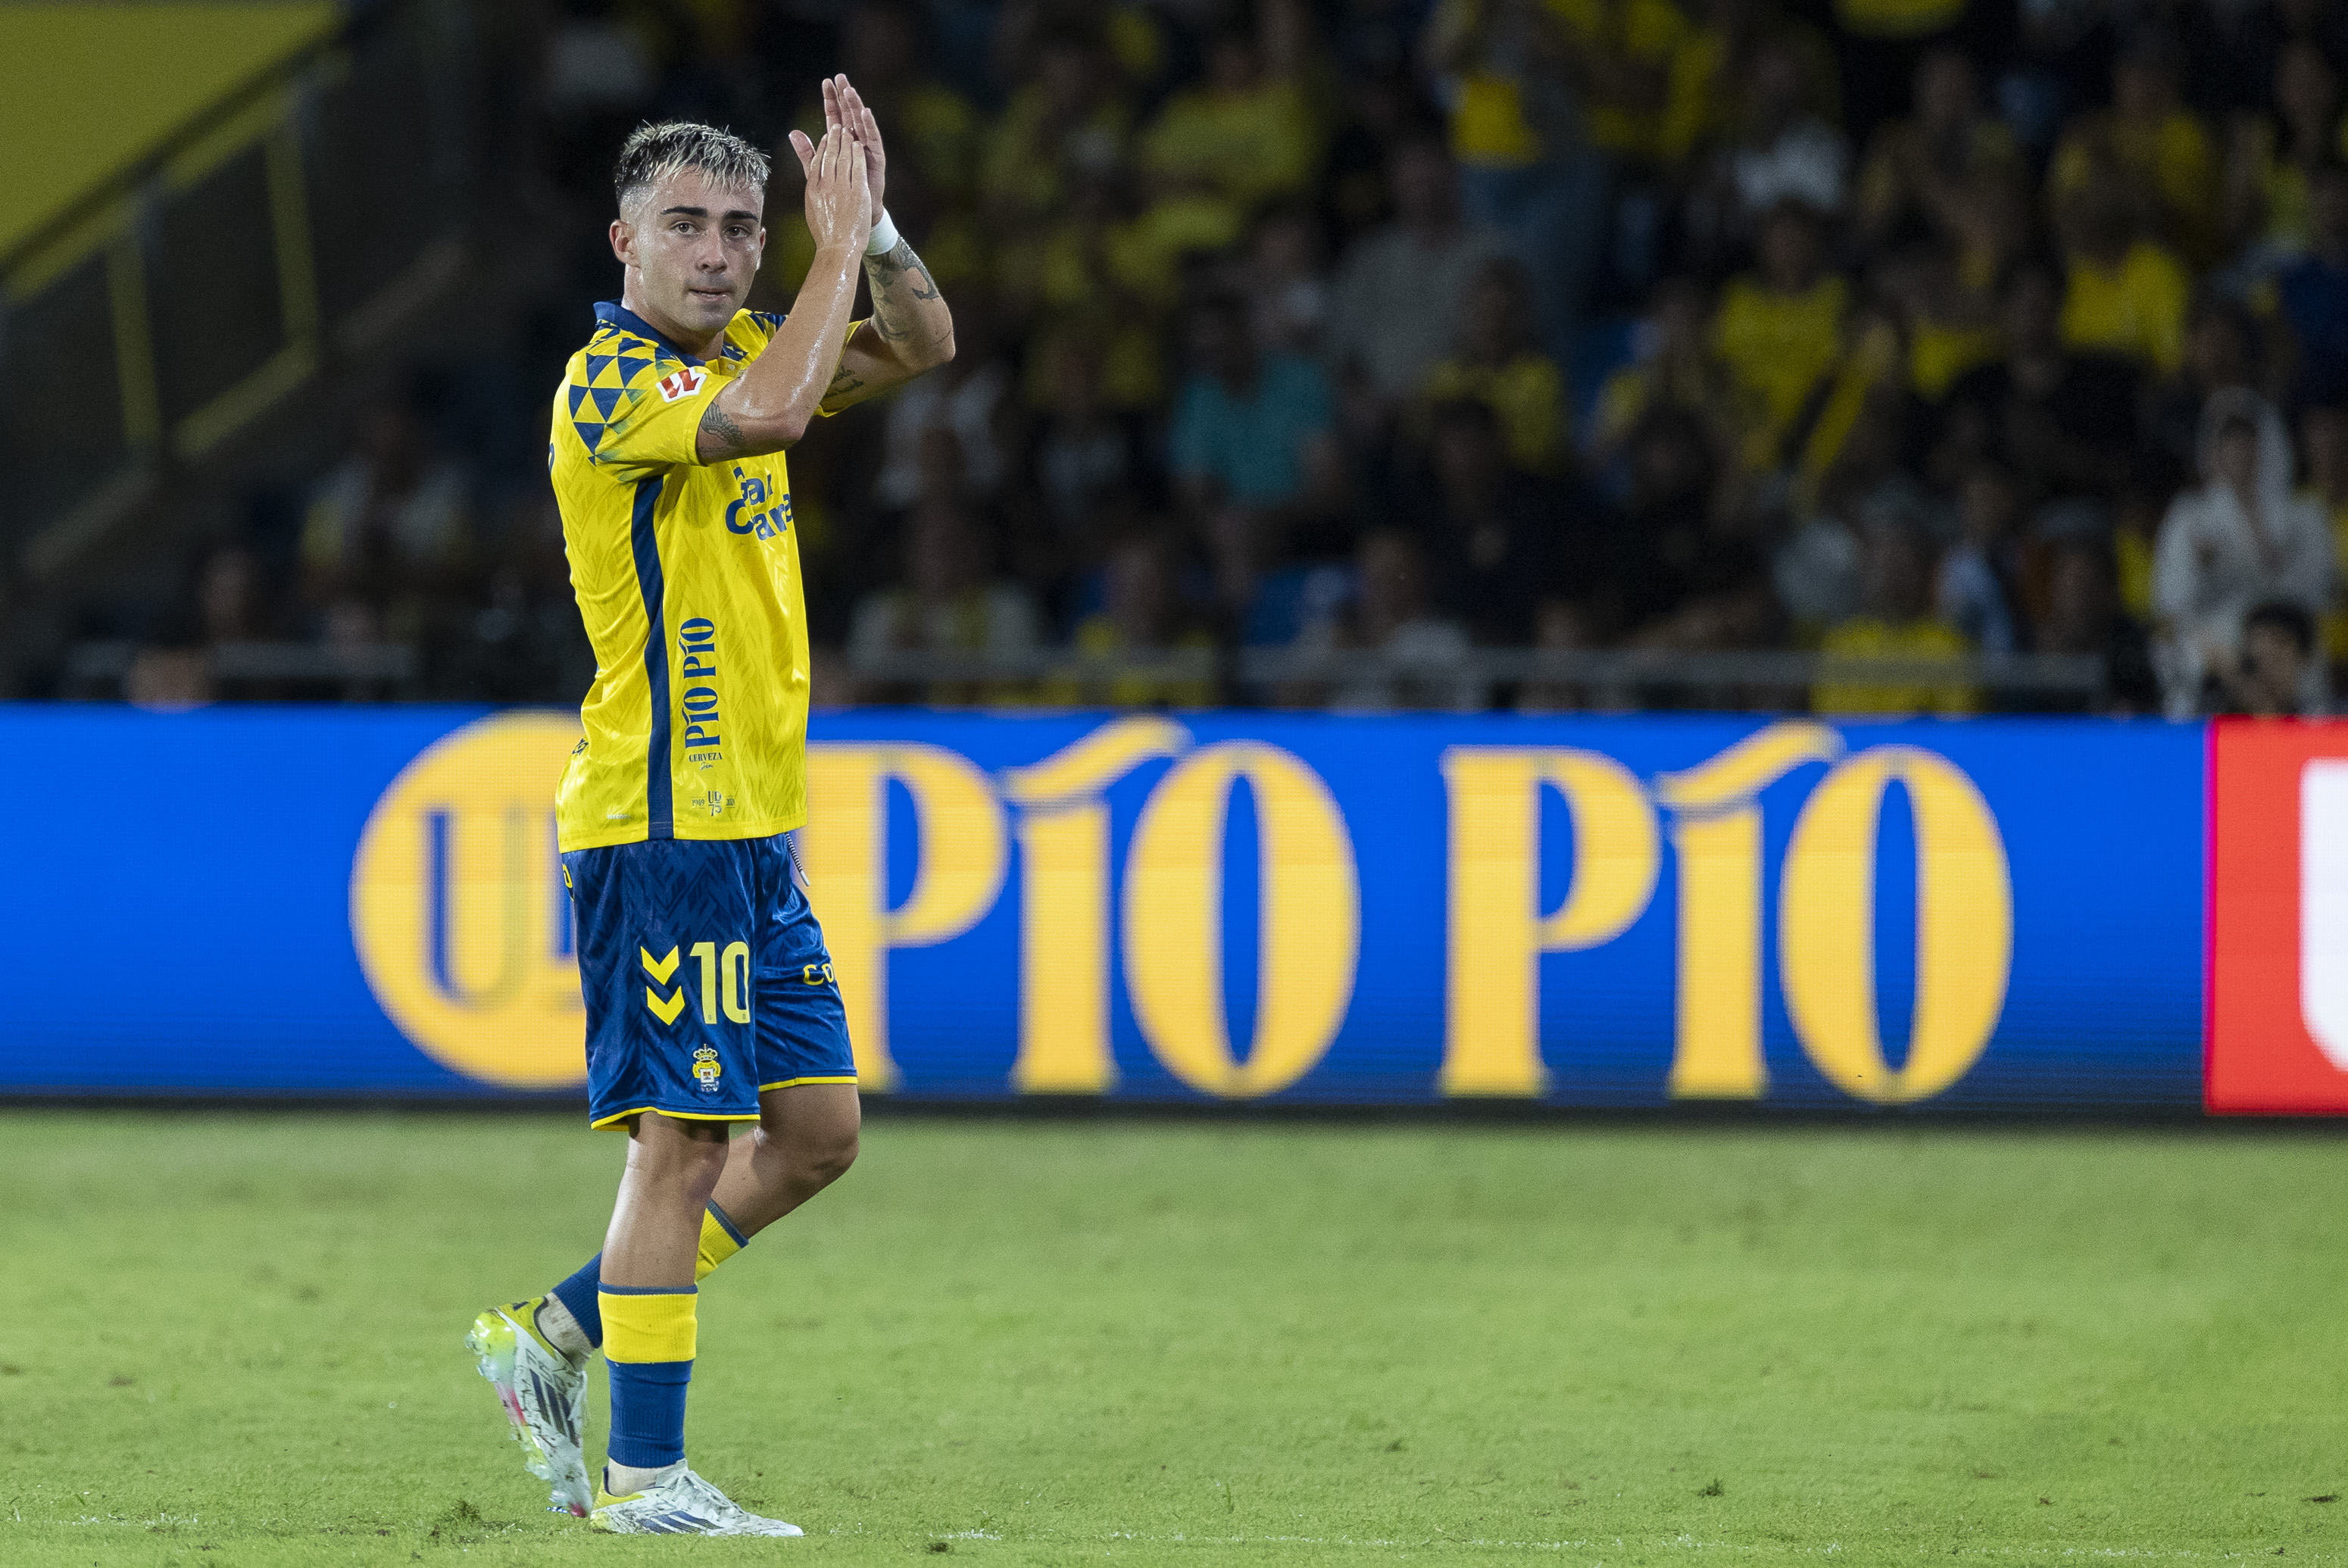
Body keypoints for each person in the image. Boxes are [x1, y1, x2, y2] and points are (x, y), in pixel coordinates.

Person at [465, 98, 955, 1537]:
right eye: (687, 225)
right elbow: (784, 414)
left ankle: (550, 1340)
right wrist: (831, 252)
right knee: (680, 1144)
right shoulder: (606, 389)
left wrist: (876, 228)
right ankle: (647, 1480)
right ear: (623, 242)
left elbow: (923, 346)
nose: (722, 253)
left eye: (746, 227)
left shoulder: (752, 346)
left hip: (752, 824)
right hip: (658, 817)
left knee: (812, 1135)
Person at [2153, 391, 2334, 717]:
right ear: (2213, 450)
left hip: (2286, 638)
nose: (2240, 454)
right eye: (2229, 444)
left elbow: (2314, 593)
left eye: (2249, 444)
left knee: (2295, 657)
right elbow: (2172, 601)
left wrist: (2259, 532)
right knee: (2186, 655)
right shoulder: (2189, 516)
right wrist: (2200, 567)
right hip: (2214, 641)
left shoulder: (2306, 515)